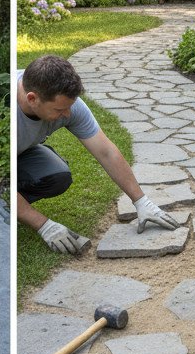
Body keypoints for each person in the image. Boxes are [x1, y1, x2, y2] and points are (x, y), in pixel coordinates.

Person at [17, 54, 178, 253]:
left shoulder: (68, 106)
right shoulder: (8, 113)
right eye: (60, 109)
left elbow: (106, 151)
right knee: (2, 186)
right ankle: (14, 203)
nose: (67, 114)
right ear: (32, 99)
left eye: (69, 107)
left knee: (57, 176)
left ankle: (18, 201)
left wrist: (141, 201)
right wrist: (43, 224)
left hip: (21, 152)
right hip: (0, 157)